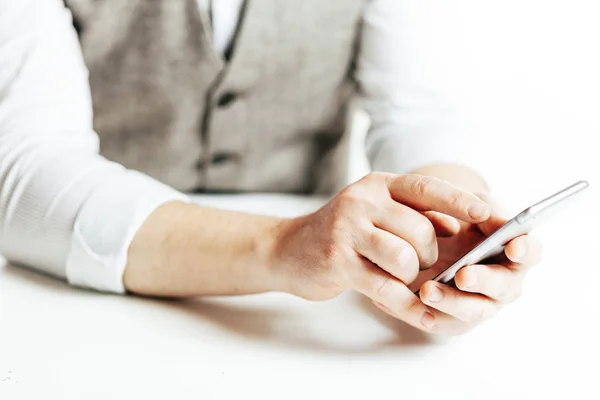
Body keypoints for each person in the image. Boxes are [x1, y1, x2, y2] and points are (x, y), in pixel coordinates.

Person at [0, 0, 541, 336]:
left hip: (306, 324)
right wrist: (287, 245)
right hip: (81, 302)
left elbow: (415, 113)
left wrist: (448, 225)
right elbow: (25, 169)